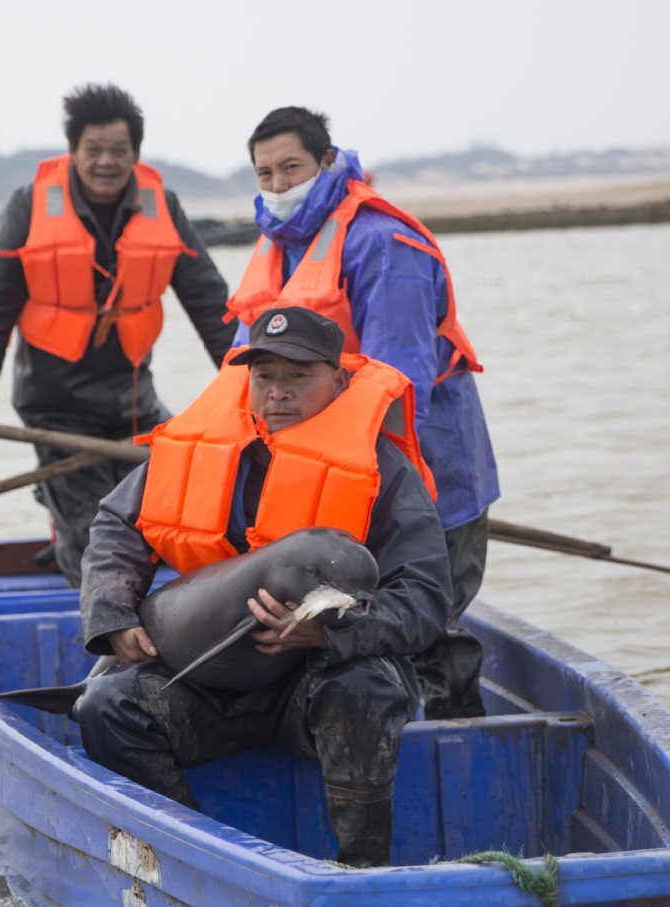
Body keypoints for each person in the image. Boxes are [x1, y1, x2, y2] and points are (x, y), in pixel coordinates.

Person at [78, 307, 451, 868]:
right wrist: (115, 617)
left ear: (339, 381)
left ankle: (363, 871)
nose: (278, 392)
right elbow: (115, 529)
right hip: (209, 685)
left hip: (312, 687)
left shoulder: (384, 471)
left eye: (299, 376)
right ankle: (197, 860)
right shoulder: (200, 450)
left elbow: (425, 600)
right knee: (104, 706)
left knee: (367, 689)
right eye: (265, 376)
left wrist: (329, 636)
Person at [227, 108, 499, 720]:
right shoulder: (276, 247)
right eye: (264, 173)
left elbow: (401, 383)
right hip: (327, 477)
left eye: (290, 168)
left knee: (432, 625)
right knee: (349, 632)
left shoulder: (383, 242)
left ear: (327, 161)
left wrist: (376, 488)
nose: (277, 185)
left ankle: (451, 746)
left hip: (424, 464)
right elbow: (242, 377)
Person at [0, 83, 234, 586]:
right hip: (55, 407)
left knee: (189, 500)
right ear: (73, 151)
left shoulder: (162, 206)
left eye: (118, 151)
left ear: (136, 153)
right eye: (94, 150)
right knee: (94, 537)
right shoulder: (30, 206)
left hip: (134, 404)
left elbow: (212, 305)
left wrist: (247, 385)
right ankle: (102, 633)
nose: (106, 162)